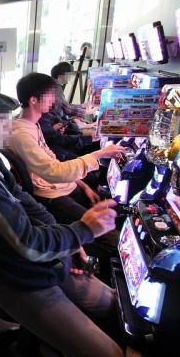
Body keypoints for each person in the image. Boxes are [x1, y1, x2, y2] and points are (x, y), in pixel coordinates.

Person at [0, 90, 122, 356]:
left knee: (116, 307)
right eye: (1, 120)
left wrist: (69, 244)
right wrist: (82, 231)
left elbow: (28, 203)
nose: (9, 126)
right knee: (108, 353)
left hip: (35, 263)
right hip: (16, 277)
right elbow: (26, 244)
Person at [9, 73, 125, 280]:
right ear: (33, 100)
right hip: (50, 195)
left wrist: (83, 186)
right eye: (49, 95)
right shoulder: (21, 133)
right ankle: (70, 259)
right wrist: (98, 155)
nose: (54, 100)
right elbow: (54, 172)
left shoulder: (32, 125)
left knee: (113, 210)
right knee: (115, 242)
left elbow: (54, 162)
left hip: (61, 187)